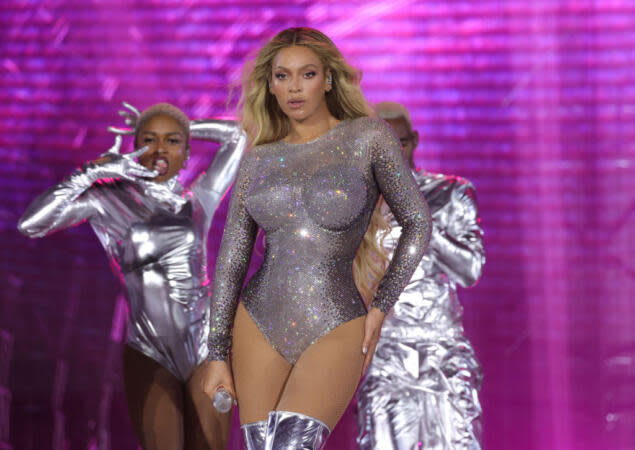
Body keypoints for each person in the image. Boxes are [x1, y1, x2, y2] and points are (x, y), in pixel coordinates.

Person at [198, 27, 432, 450]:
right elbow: (232, 259)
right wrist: (217, 352)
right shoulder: (259, 160)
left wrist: (380, 307)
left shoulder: (368, 138)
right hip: (257, 324)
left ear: (327, 78)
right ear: (269, 85)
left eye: (306, 74)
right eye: (282, 76)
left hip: (337, 323)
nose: (294, 87)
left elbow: (417, 222)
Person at [18, 102, 247, 450]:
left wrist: (185, 124)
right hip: (149, 351)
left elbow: (237, 136)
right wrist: (88, 174)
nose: (159, 149)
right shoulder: (108, 199)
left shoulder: (199, 199)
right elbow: (31, 225)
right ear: (134, 147)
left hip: (207, 352)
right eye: (149, 140)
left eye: (172, 141)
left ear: (187, 154)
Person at [356, 101, 485, 450]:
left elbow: (471, 271)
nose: (394, 153)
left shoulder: (451, 193)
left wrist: (422, 223)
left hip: (442, 349)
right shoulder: (359, 203)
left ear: (414, 141)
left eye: (401, 143)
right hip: (385, 351)